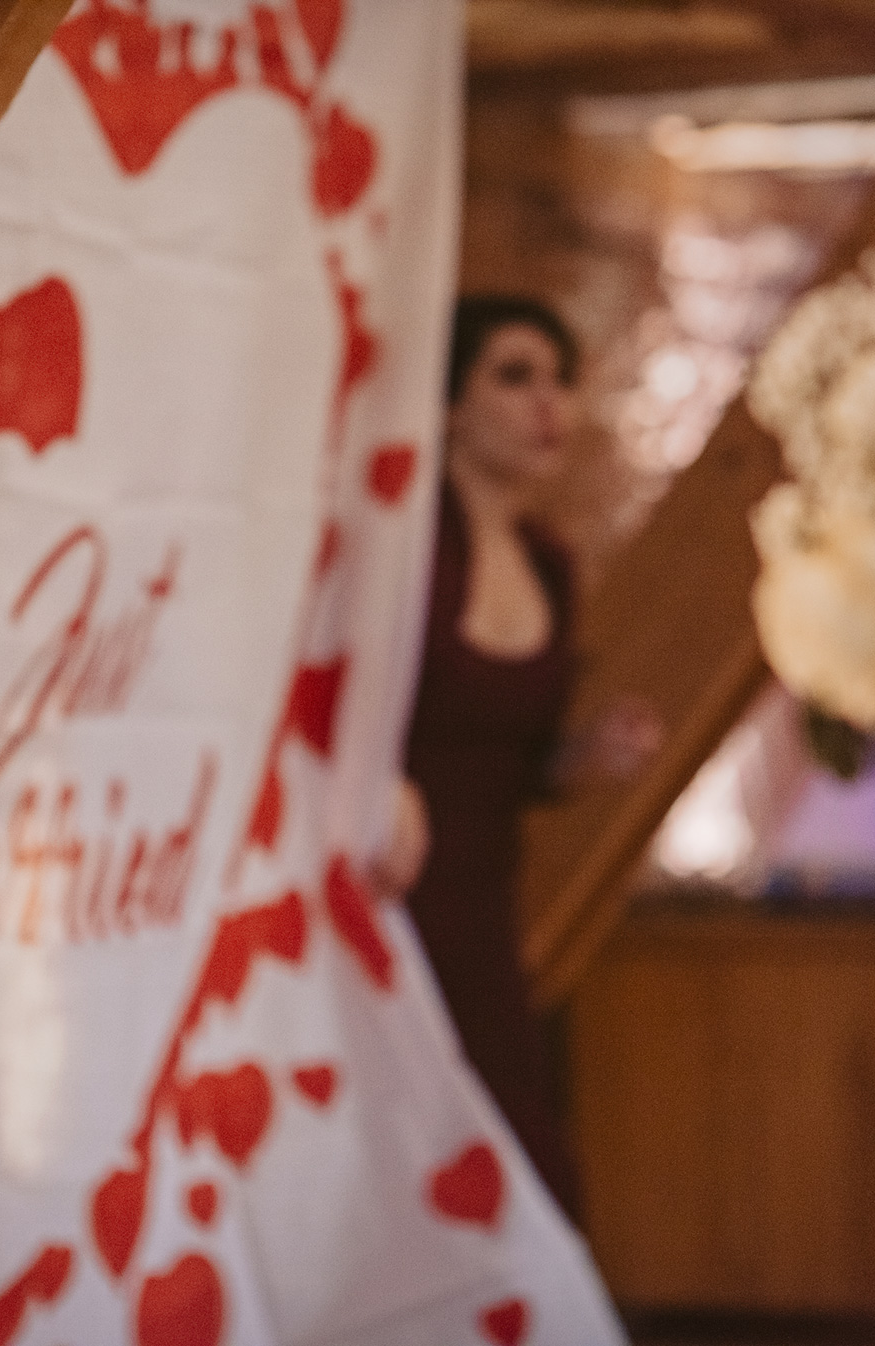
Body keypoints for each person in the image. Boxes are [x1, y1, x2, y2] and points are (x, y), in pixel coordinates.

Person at [379, 294, 656, 1219]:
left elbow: (525, 765)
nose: (549, 405)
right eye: (514, 375)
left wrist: (589, 754)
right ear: (451, 402)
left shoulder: (550, 562)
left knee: (522, 1165)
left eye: (561, 381)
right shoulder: (403, 546)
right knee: (396, 1154)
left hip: (487, 904)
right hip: (385, 896)